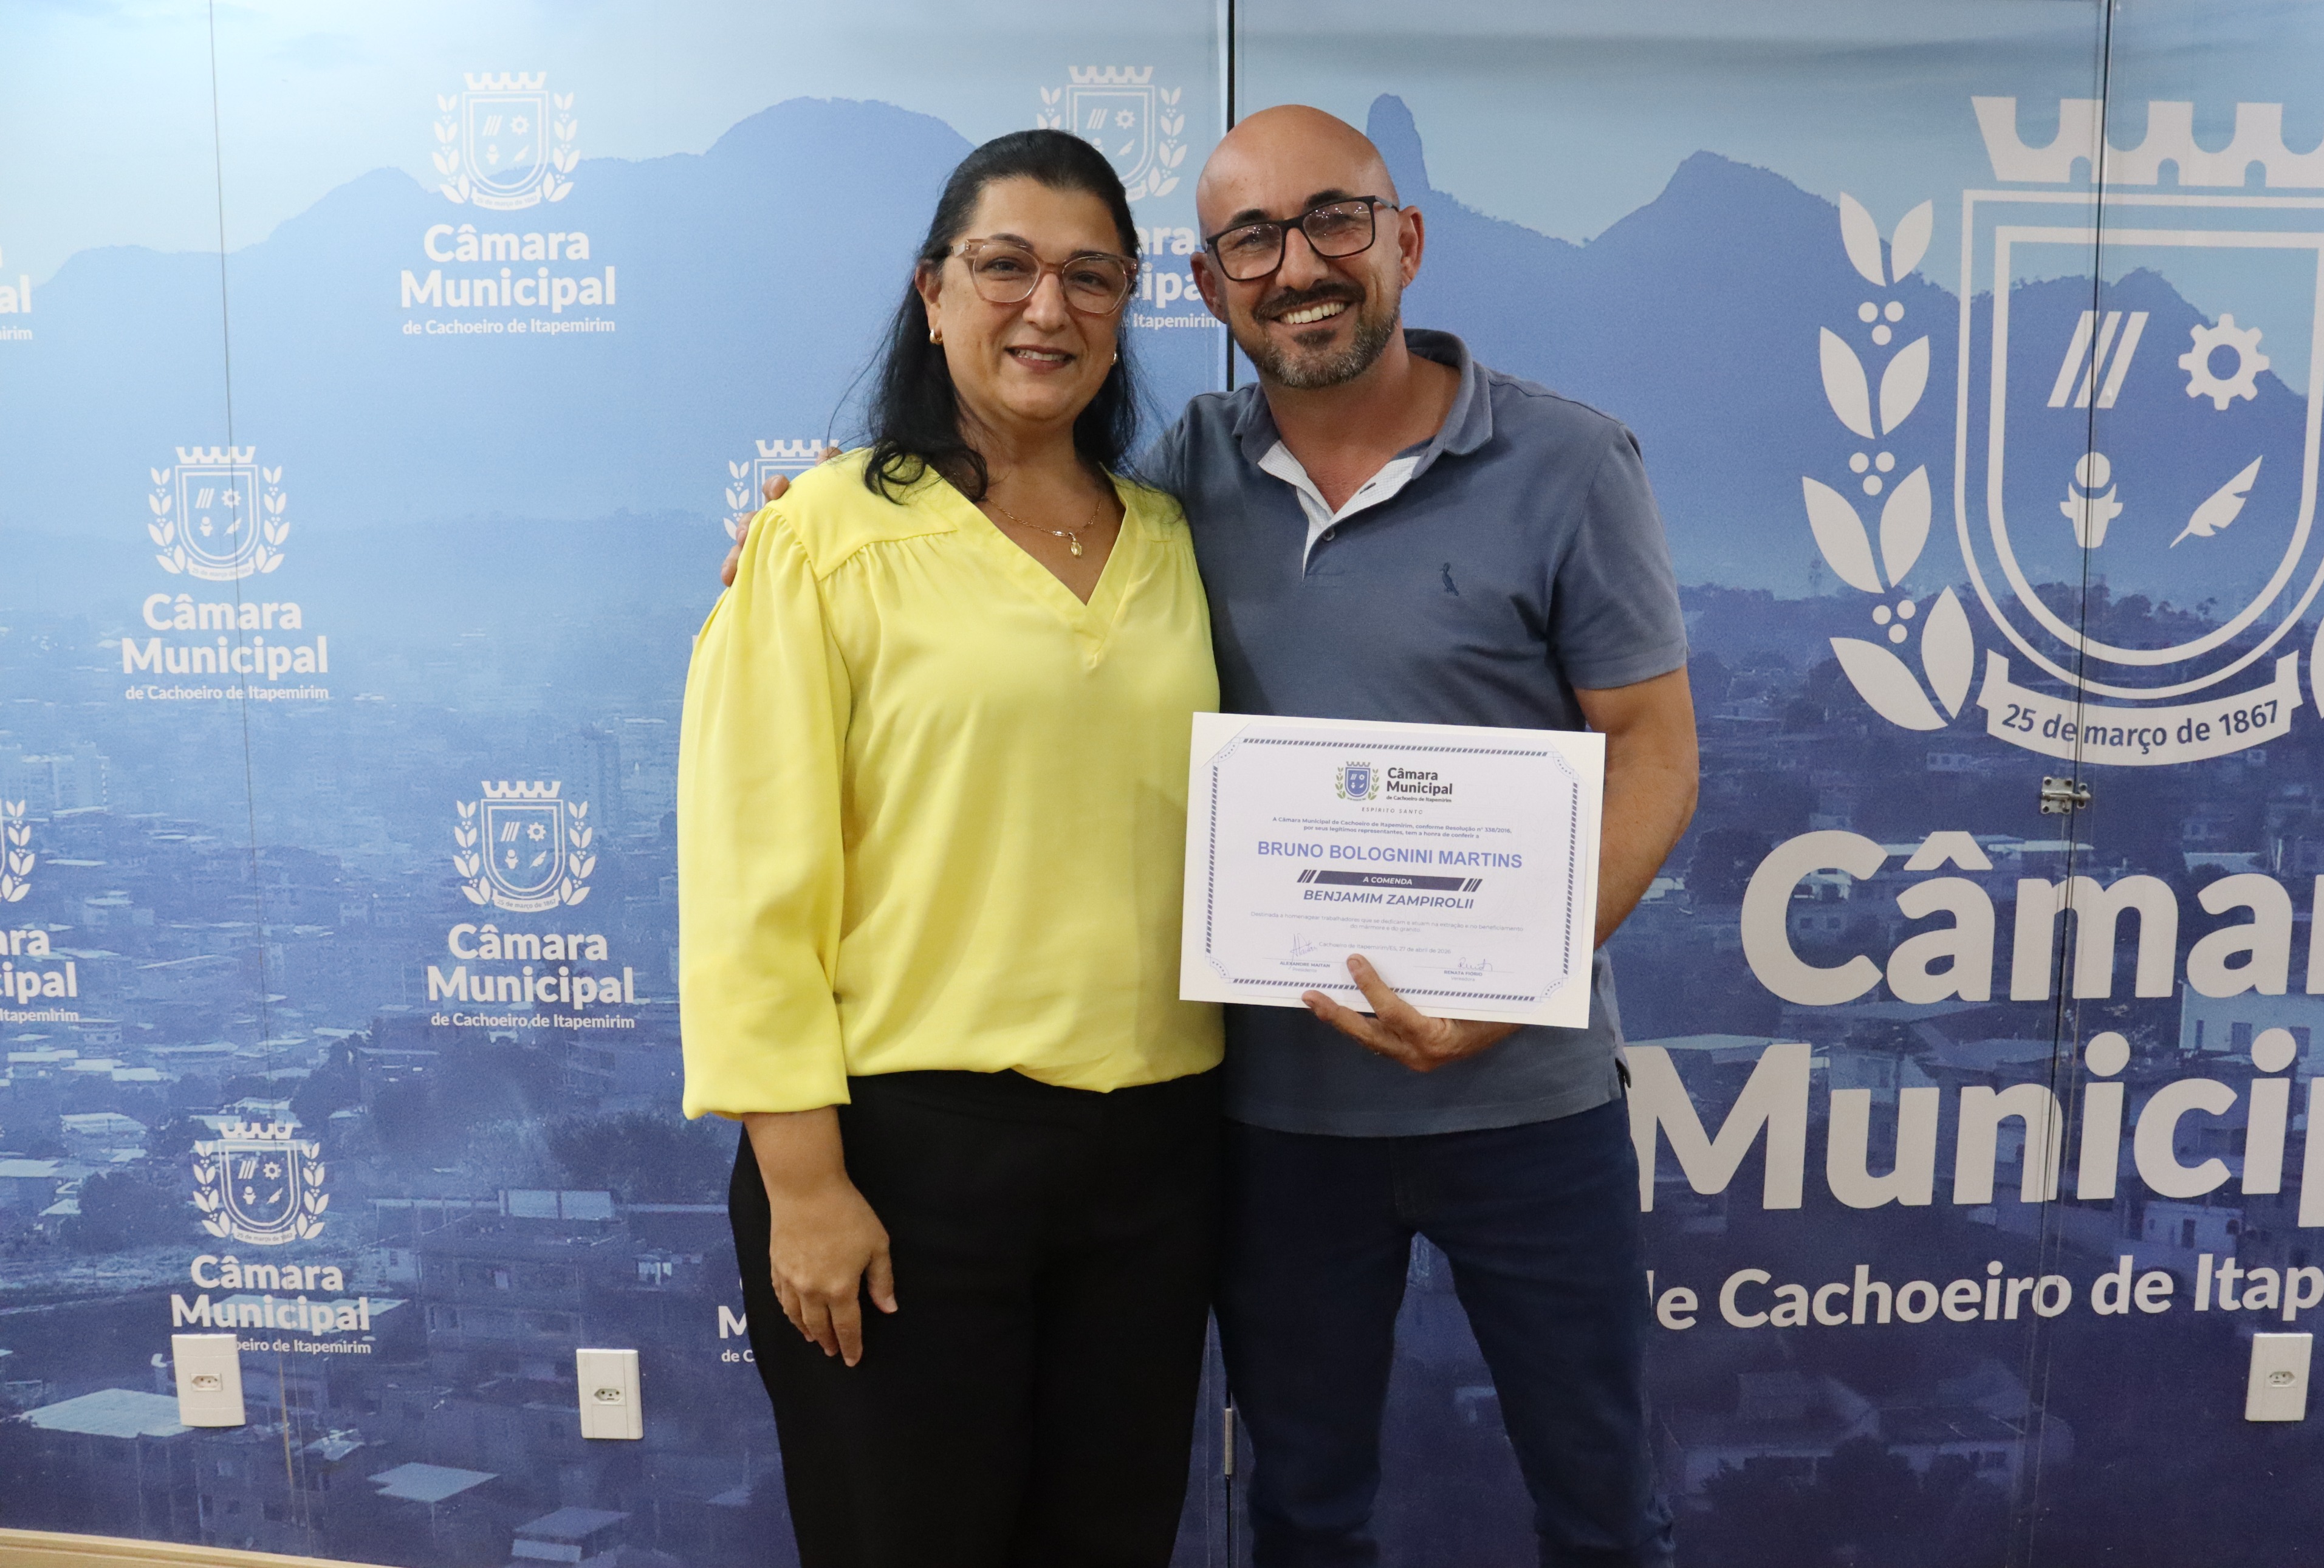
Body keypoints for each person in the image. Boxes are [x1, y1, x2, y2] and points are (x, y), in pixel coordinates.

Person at [726, 105, 1697, 1567]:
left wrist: (1511, 982)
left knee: (1603, 1505)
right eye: (1252, 238)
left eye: (1333, 221)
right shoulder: (1169, 484)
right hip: (1269, 1122)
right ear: (1205, 282)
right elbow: (766, 858)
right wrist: (809, 517)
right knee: (1302, 1511)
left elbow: (1655, 748)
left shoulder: (1548, 464)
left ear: (1404, 240)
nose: (1296, 265)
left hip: (1514, 1098)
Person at [677, 129, 1224, 1568]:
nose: (1048, 307)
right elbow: (749, 878)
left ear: (1125, 308)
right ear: (932, 293)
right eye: (1006, 267)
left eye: (1090, 276)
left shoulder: (1173, 538)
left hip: (1156, 1157)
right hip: (909, 1156)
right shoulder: (825, 534)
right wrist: (803, 1183)